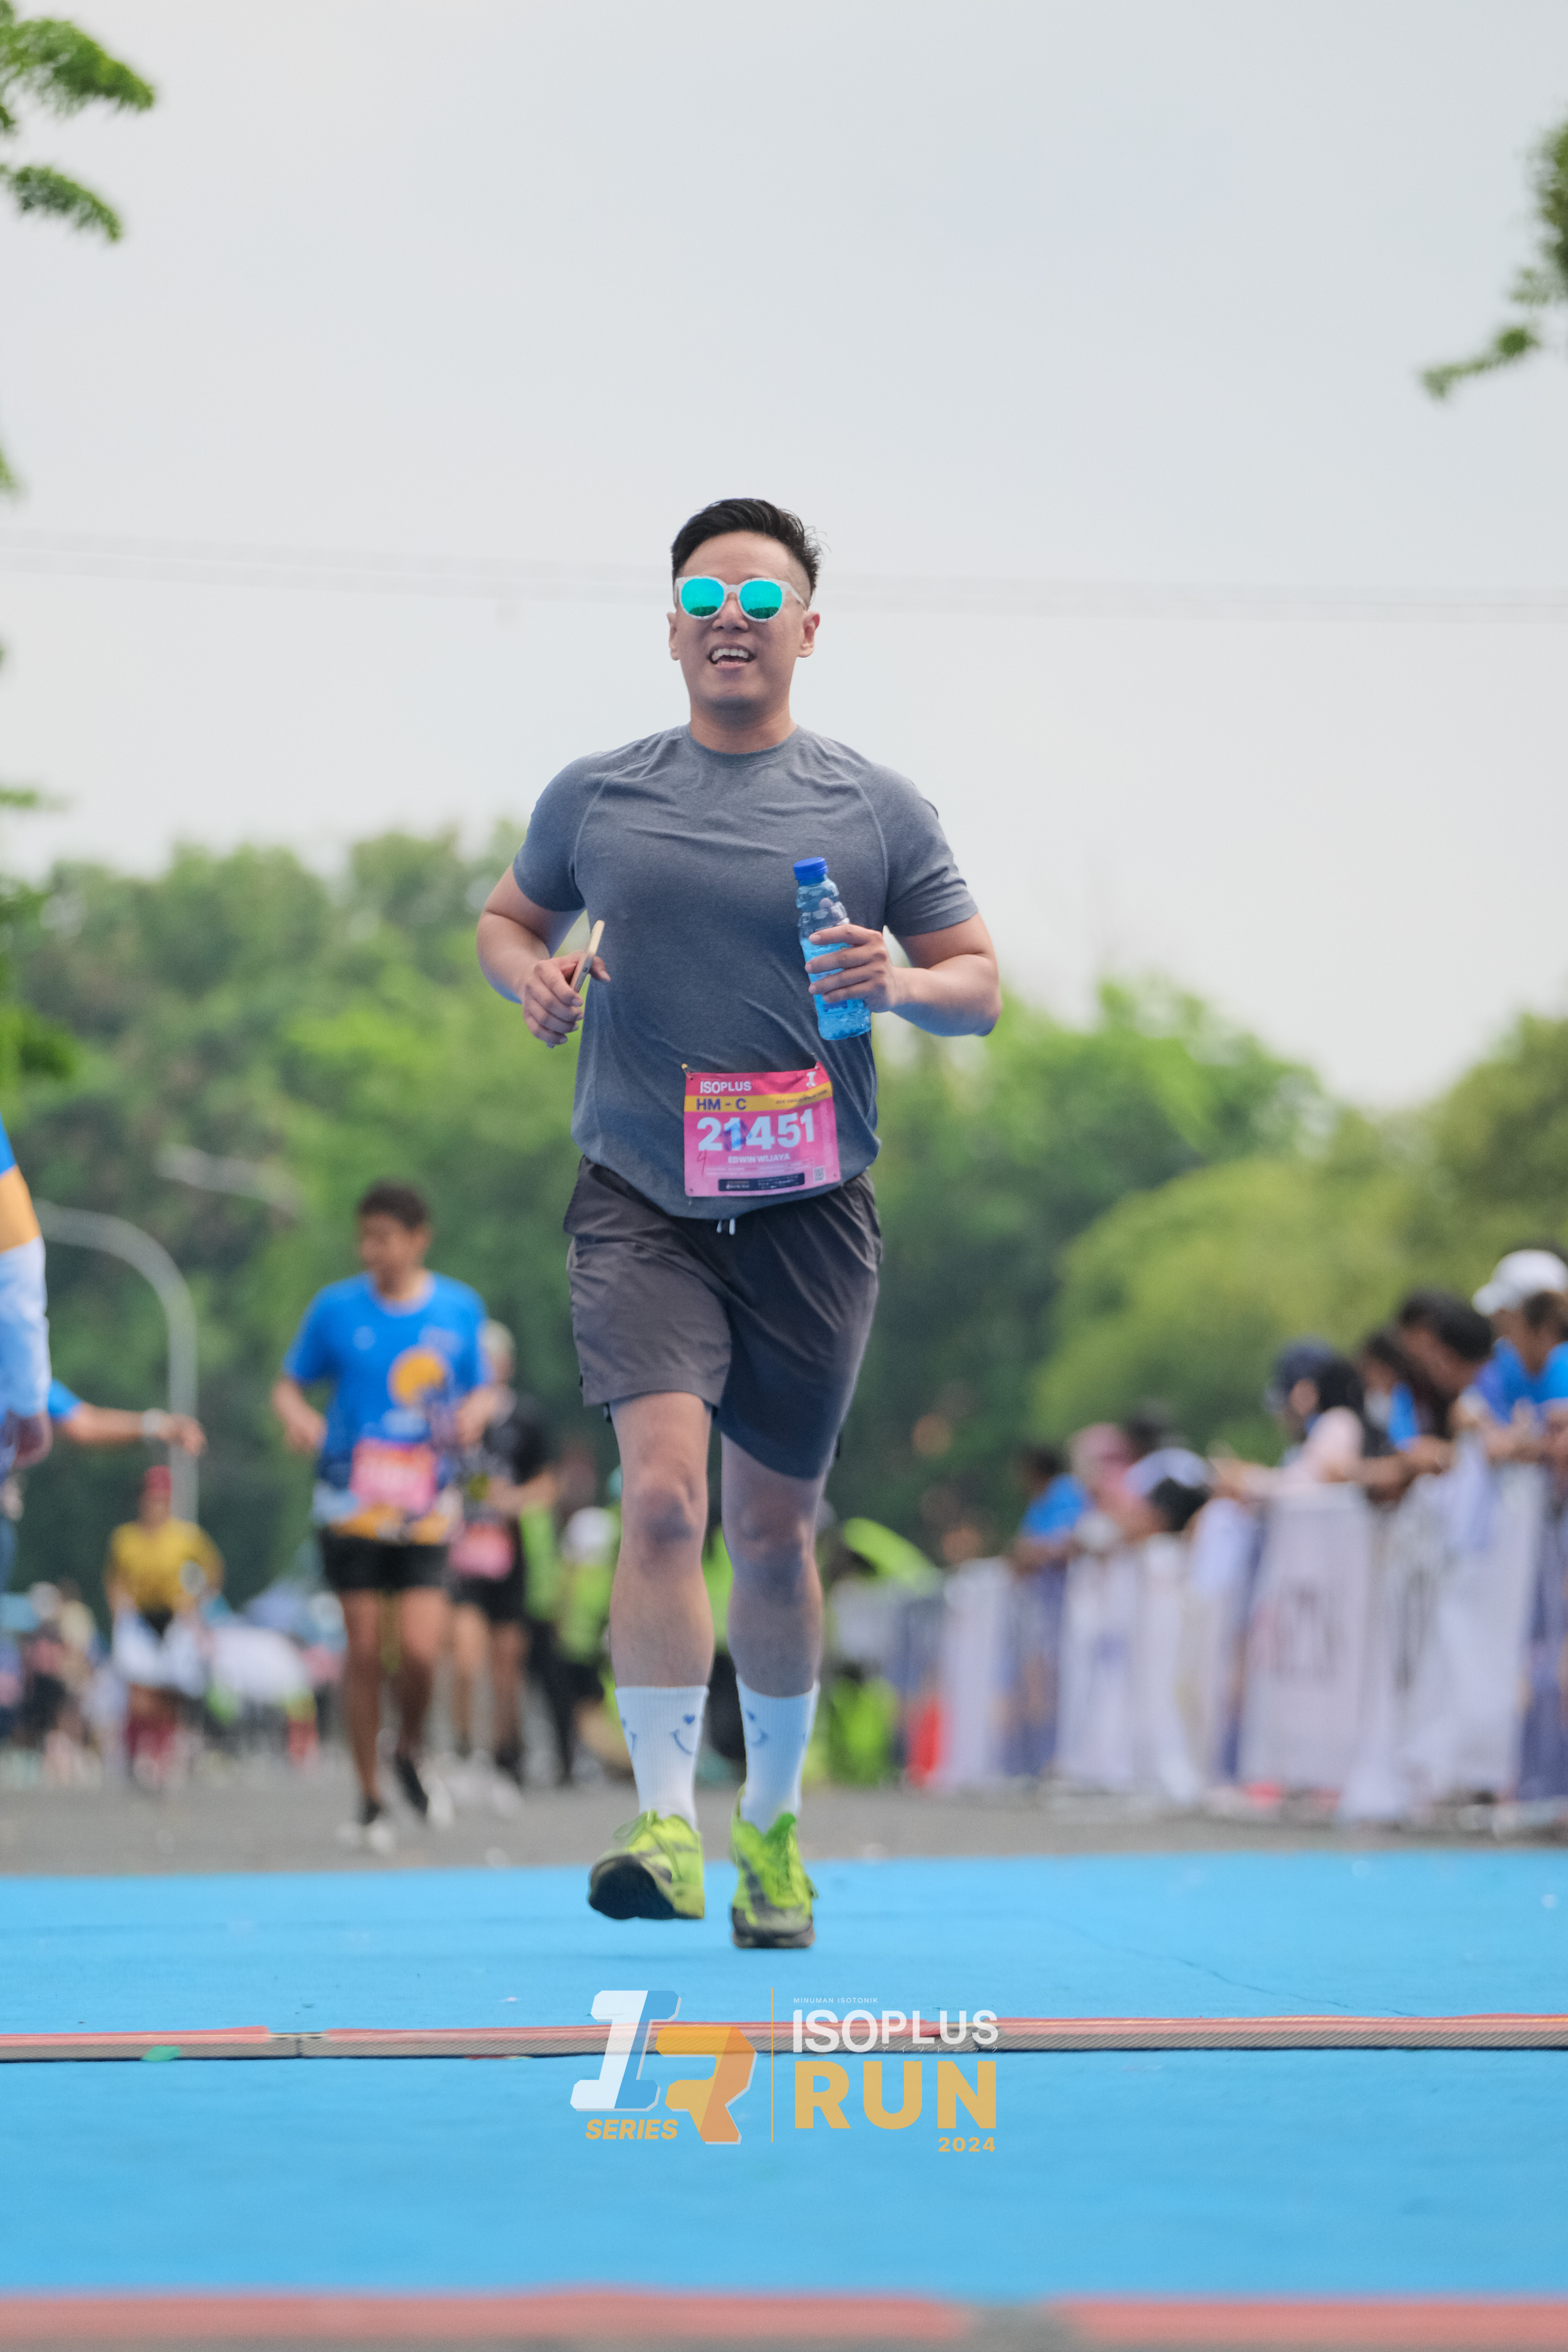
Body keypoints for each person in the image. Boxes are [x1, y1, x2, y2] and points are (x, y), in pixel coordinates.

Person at [477, 494, 999, 1948]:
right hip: (640, 1199)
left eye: (761, 602)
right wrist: (530, 977)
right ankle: (663, 1821)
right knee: (660, 1499)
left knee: (773, 1531)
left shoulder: (875, 807)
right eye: (706, 598)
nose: (731, 620)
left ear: (806, 631)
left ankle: (769, 1825)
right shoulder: (598, 796)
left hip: (808, 1212)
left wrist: (899, 981)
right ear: (669, 629)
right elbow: (509, 919)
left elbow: (980, 983)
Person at [271, 1180, 494, 1853]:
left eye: (385, 1237)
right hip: (351, 1503)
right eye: (364, 1237)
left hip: (426, 1505)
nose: (372, 1250)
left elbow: (483, 1391)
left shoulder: (459, 1308)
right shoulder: (335, 1310)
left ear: (418, 1239)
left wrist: (472, 1416)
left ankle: (410, 1747)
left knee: (422, 1653)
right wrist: (299, 1418)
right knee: (364, 1652)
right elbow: (288, 1385)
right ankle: (369, 1796)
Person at [447, 1321, 555, 1786]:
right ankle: (463, 1748)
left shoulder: (525, 1419)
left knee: (507, 1663)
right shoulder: (451, 1418)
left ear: (507, 1364)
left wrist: (513, 1500)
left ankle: (506, 1752)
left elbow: (547, 1484)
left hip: (508, 1555)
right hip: (461, 1556)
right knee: (466, 1657)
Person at [104, 1464, 223, 1784]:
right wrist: (119, 1612)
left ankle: (161, 1755)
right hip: (140, 1617)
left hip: (174, 1617)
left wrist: (195, 1600)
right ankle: (133, 1753)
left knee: (169, 1691)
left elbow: (213, 1570)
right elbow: (115, 1578)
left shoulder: (186, 1537)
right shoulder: (126, 1538)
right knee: (139, 1691)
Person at [1212, 1340, 1368, 1502]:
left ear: (1303, 1391)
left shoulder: (1338, 1423)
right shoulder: (1325, 1429)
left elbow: (1303, 1486)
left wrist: (1247, 1480)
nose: (1282, 1414)